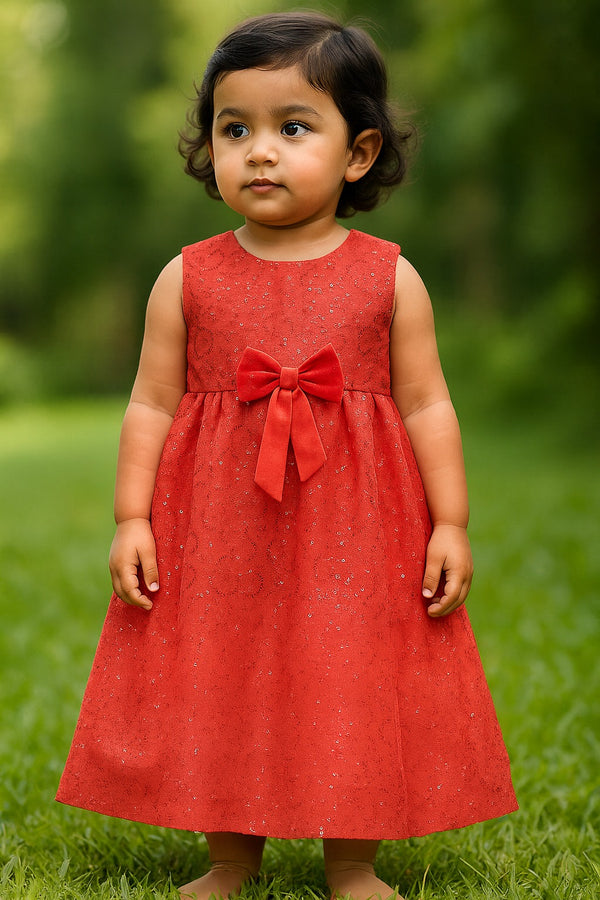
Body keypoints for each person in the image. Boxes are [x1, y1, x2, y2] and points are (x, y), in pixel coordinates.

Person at [56, 12, 518, 900]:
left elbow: (428, 403)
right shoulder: (187, 275)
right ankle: (231, 855)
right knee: (221, 671)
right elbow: (151, 401)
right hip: (220, 530)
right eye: (237, 130)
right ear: (211, 149)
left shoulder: (389, 275)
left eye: (292, 127)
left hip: (357, 530)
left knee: (352, 673)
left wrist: (450, 521)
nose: (259, 152)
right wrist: (130, 517)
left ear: (358, 152)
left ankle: (352, 861)